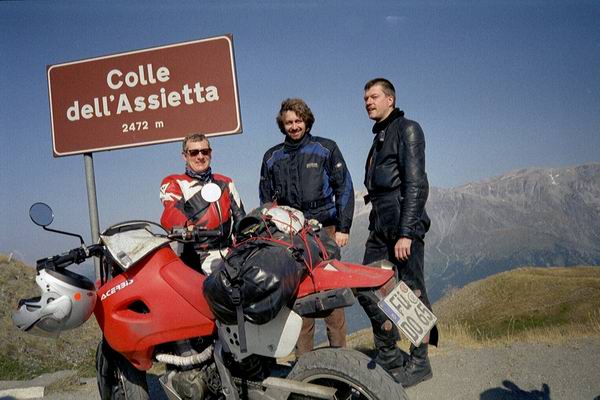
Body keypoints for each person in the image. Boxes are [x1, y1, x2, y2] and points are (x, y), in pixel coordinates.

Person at [358, 78, 438, 387]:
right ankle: (389, 356)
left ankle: (419, 362)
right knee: (366, 284)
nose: (368, 102)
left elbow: (416, 184)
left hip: (403, 224)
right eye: (365, 98)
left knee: (412, 291)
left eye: (374, 96)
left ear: (390, 99)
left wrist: (406, 232)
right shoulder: (379, 136)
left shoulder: (408, 129)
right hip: (380, 224)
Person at [259, 98, 355, 357]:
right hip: (291, 234)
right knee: (299, 295)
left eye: (298, 121)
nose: (294, 126)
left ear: (307, 121)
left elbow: (344, 188)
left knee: (332, 292)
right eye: (288, 122)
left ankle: (340, 358)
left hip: (326, 230)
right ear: (282, 125)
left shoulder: (326, 148)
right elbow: (266, 201)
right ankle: (305, 362)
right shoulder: (272, 157)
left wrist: (343, 227)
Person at [160, 133, 245, 274]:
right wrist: (186, 225)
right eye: (194, 153)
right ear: (185, 156)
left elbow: (240, 217)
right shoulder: (174, 182)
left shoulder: (225, 182)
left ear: (210, 153)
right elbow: (171, 211)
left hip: (230, 254)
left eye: (205, 151)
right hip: (196, 256)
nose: (200, 157)